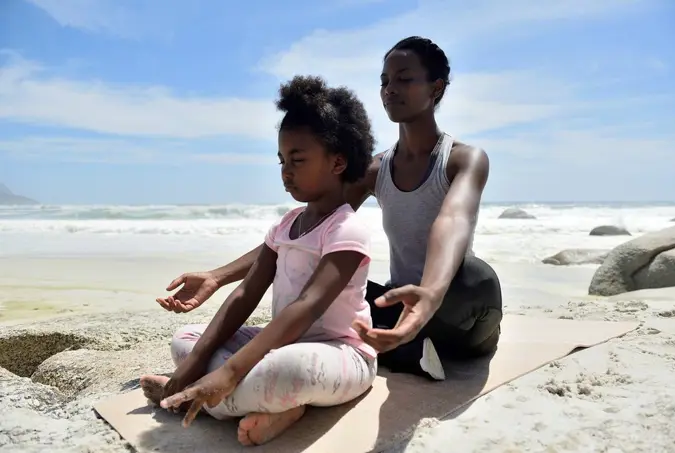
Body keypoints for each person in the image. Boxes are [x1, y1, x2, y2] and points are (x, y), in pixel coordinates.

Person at [157, 36, 503, 381]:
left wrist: (429, 293)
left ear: (436, 88)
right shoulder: (377, 168)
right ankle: (403, 350)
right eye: (384, 81)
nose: (390, 89)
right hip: (399, 307)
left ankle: (411, 349)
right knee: (330, 280)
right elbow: (306, 233)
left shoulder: (463, 159)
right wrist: (217, 277)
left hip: (456, 310)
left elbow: (452, 219)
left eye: (404, 79)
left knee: (475, 276)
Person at [141, 75, 378, 446]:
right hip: (280, 344)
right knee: (185, 340)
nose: (286, 171)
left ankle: (207, 397)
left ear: (338, 162)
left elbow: (307, 306)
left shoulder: (347, 230)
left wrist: (231, 370)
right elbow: (245, 294)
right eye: (282, 159)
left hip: (341, 352)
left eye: (298, 160)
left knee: (289, 371)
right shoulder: (285, 226)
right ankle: (265, 406)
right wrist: (197, 360)